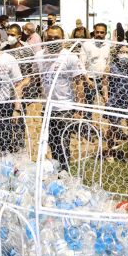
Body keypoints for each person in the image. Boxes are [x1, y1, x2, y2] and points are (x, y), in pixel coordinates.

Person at [36, 25, 86, 171]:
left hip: (64, 107)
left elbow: (79, 83)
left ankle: (64, 171)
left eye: (56, 38)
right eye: (49, 38)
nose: (52, 40)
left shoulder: (70, 57)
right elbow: (35, 78)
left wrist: (79, 107)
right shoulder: (39, 56)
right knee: (51, 141)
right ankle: (56, 168)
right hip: (47, 107)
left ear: (63, 39)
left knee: (63, 142)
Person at [104, 44, 128, 164]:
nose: (124, 55)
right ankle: (109, 152)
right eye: (122, 52)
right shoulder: (110, 67)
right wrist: (106, 98)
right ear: (117, 53)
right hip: (115, 100)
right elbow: (105, 83)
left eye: (127, 52)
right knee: (113, 128)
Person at [79, 23, 111, 118]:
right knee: (89, 104)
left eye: (102, 32)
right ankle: (87, 124)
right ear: (94, 31)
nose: (99, 34)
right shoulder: (87, 45)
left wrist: (105, 78)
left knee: (109, 102)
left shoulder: (108, 45)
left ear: (105, 33)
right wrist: (87, 80)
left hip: (103, 79)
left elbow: (108, 62)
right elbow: (81, 63)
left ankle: (109, 124)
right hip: (90, 79)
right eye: (97, 32)